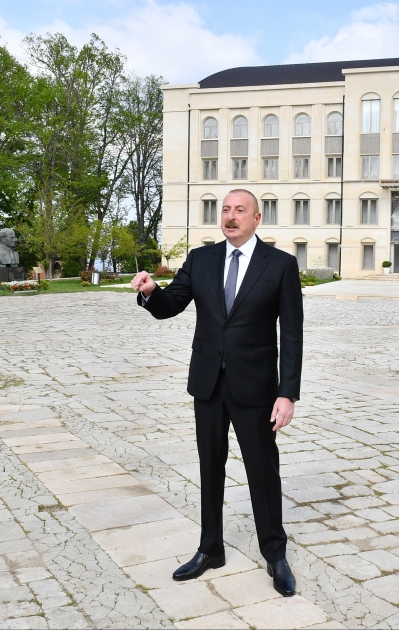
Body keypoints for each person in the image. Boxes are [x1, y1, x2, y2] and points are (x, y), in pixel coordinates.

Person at [131, 189, 303, 597]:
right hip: (207, 383)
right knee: (210, 467)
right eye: (225, 210)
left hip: (256, 388)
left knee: (263, 471)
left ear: (257, 218)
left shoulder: (280, 265)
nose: (230, 216)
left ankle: (275, 555)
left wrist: (287, 393)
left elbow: (291, 335)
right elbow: (172, 303)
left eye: (239, 210)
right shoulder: (201, 259)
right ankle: (210, 549)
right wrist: (151, 290)